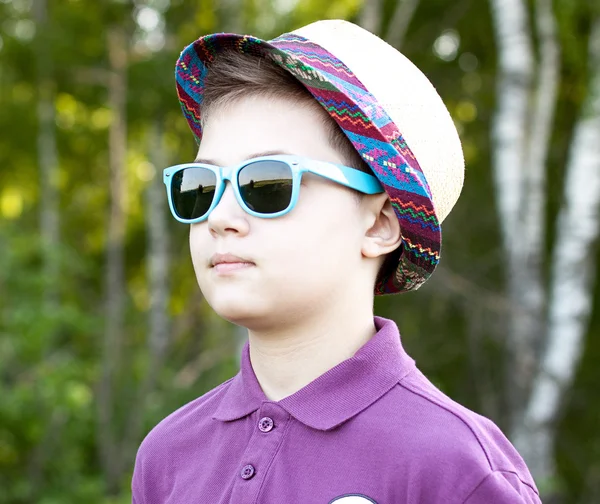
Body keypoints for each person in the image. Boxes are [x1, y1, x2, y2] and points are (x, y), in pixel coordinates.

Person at [131, 19, 542, 504]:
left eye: (266, 183)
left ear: (378, 224)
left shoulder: (454, 468)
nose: (220, 217)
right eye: (201, 185)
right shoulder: (167, 454)